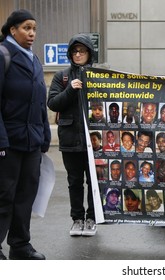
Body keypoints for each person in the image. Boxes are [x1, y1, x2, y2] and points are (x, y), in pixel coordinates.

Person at [0, 9, 50, 260]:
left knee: (25, 196)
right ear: (12, 30)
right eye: (26, 28)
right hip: (8, 141)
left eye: (34, 29)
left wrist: (44, 136)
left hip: (32, 141)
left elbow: (40, 101)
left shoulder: (34, 59)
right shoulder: (3, 55)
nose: (32, 33)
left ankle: (20, 245)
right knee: (4, 195)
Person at [47, 33, 98, 238]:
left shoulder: (97, 75)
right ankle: (77, 219)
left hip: (94, 140)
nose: (78, 54)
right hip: (70, 139)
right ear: (70, 54)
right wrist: (70, 89)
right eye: (75, 51)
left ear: (89, 53)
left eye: (82, 51)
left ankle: (92, 218)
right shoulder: (62, 76)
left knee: (94, 182)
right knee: (74, 181)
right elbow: (53, 103)